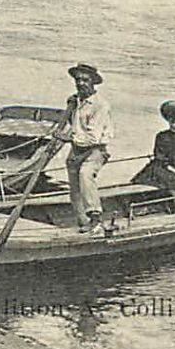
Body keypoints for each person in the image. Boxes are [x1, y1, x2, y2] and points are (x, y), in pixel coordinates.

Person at [61, 63, 112, 232]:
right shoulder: (75, 101)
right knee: (74, 186)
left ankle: (96, 219)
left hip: (95, 149)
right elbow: (75, 124)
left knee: (85, 175)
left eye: (85, 80)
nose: (81, 83)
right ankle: (82, 221)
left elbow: (93, 137)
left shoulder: (100, 105)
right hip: (77, 149)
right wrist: (70, 109)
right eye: (78, 80)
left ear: (93, 83)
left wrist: (69, 138)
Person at [131, 100, 175, 193]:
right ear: (169, 121)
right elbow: (160, 156)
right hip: (165, 168)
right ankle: (173, 196)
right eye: (172, 122)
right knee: (160, 174)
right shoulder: (161, 136)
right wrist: (172, 169)